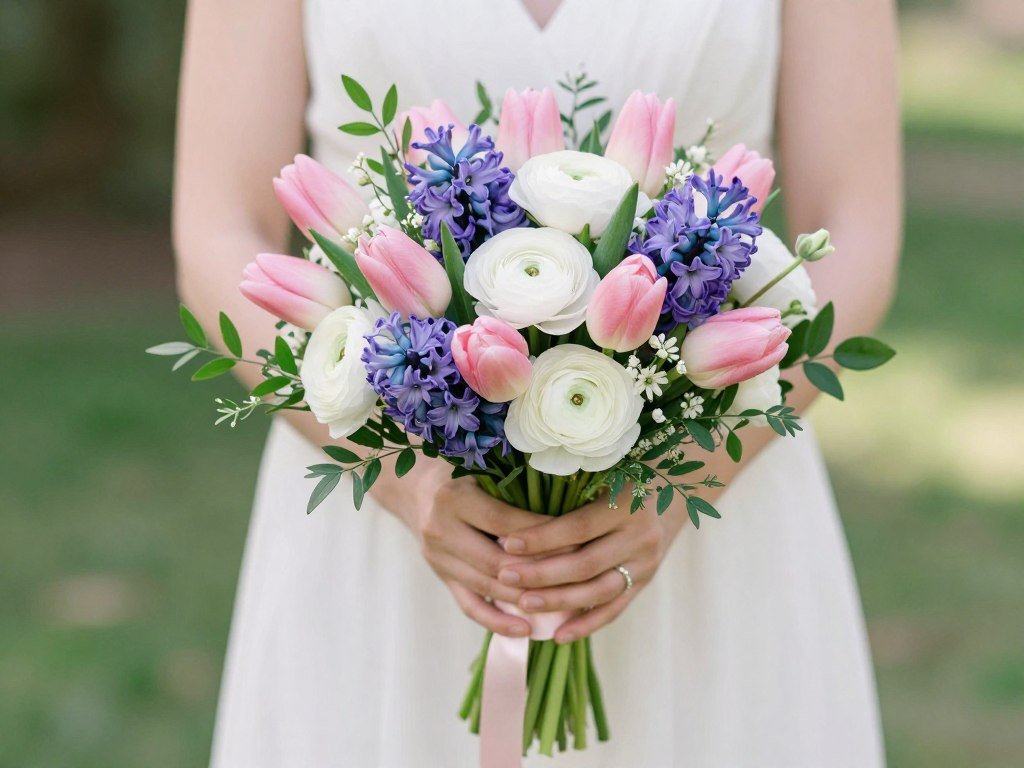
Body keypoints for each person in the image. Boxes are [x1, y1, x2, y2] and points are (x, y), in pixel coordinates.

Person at [174, 1, 901, 765]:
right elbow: (218, 233)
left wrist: (684, 477)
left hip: (710, 522)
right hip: (382, 518)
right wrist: (406, 479)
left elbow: (854, 234)